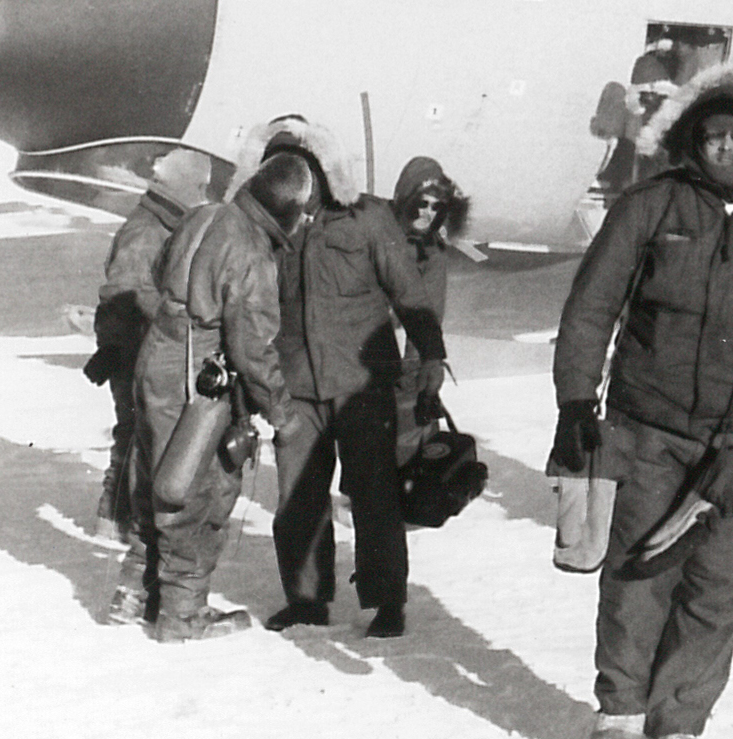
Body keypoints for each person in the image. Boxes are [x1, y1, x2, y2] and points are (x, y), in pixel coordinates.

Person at [549, 68, 733, 739]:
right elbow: (592, 306)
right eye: (713, 136)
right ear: (691, 140)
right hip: (647, 427)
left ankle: (678, 722)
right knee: (638, 573)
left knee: (719, 583)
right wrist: (574, 402)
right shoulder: (651, 206)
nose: (726, 149)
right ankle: (618, 715)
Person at [270, 154, 467, 639]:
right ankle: (307, 600)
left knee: (375, 495)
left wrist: (431, 359)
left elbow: (410, 293)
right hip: (298, 385)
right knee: (298, 497)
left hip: (362, 382)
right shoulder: (277, 223)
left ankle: (387, 601)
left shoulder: (366, 219)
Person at [131, 149, 317, 643]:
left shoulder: (205, 214)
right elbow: (253, 348)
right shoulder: (253, 254)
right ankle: (182, 616)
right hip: (198, 375)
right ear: (289, 210)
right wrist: (282, 412)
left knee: (157, 477)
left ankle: (137, 597)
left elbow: (157, 271)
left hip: (160, 355)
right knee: (199, 489)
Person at [94, 145, 218, 625]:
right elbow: (127, 296)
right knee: (142, 452)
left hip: (142, 355)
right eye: (201, 186)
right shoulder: (147, 232)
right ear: (185, 186)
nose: (204, 195)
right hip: (138, 359)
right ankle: (118, 525)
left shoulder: (162, 224)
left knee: (142, 452)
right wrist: (173, 331)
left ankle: (120, 523)